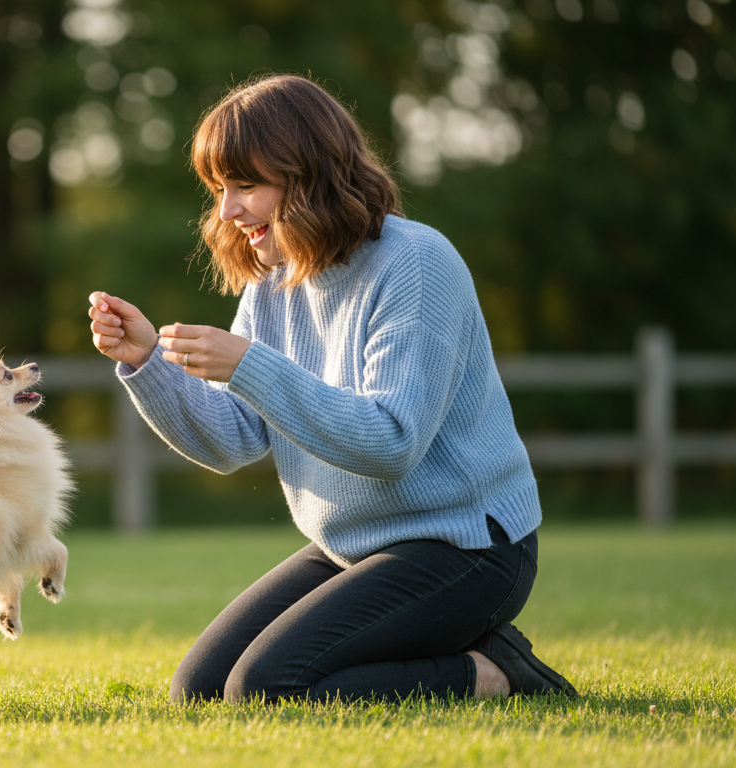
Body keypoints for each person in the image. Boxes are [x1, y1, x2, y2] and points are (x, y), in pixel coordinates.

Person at [86, 74, 576, 703]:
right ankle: (462, 655)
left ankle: (495, 672)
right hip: (352, 545)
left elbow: (391, 442)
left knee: (265, 688)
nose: (228, 211)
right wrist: (149, 362)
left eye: (246, 185)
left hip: (466, 547)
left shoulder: (417, 263)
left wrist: (249, 364)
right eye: (219, 190)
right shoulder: (273, 281)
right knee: (199, 690)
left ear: (307, 172)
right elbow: (233, 441)